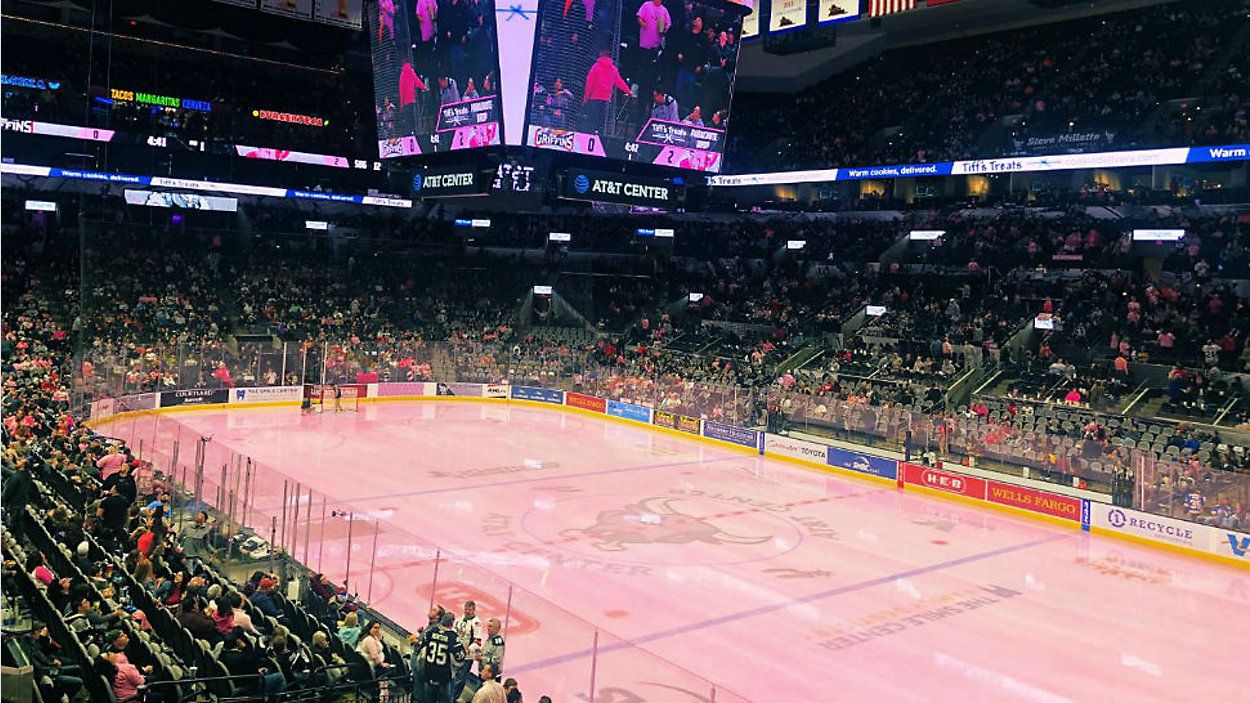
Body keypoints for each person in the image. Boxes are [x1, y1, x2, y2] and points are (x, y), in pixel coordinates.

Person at [581, 50, 635, 133]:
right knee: (601, 124)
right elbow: (620, 82)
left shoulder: (596, 67)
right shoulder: (613, 69)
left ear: (600, 55)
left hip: (594, 98)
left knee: (591, 123)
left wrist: (586, 97)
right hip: (606, 100)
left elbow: (589, 82)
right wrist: (629, 92)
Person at [422, 612, 464, 703]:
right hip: (444, 677)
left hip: (429, 674)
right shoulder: (453, 637)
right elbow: (460, 659)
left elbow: (420, 646)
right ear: (452, 623)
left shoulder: (431, 632)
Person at [453, 600, 483, 698]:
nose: (467, 612)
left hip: (467, 656)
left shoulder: (477, 623)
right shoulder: (459, 620)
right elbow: (454, 633)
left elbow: (477, 641)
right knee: (453, 675)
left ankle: (454, 697)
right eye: (465, 609)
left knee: (461, 677)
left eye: (469, 610)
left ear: (474, 610)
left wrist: (468, 649)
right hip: (456, 653)